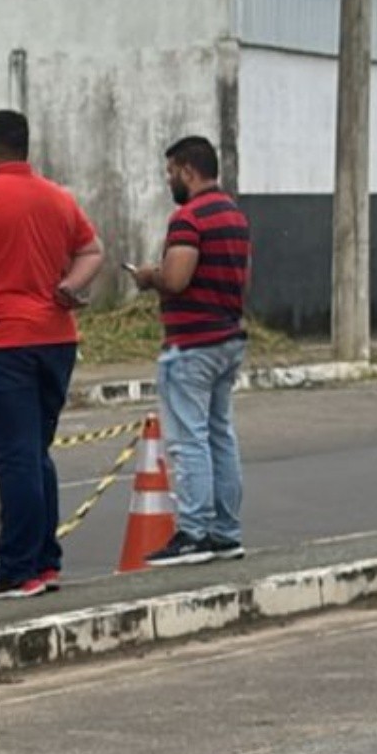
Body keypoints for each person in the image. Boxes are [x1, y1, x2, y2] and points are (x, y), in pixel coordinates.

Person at [0, 110, 103, 600]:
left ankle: (18, 568)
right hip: (55, 340)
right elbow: (94, 250)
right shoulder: (58, 197)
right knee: (34, 452)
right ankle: (44, 562)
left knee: (14, 458)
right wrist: (70, 286)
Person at [132, 135, 251, 566]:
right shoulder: (234, 214)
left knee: (188, 440)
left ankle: (195, 532)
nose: (169, 182)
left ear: (186, 170)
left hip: (192, 343)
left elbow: (178, 278)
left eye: (170, 173)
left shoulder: (189, 217)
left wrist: (150, 276)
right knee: (220, 435)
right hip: (227, 336)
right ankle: (226, 532)